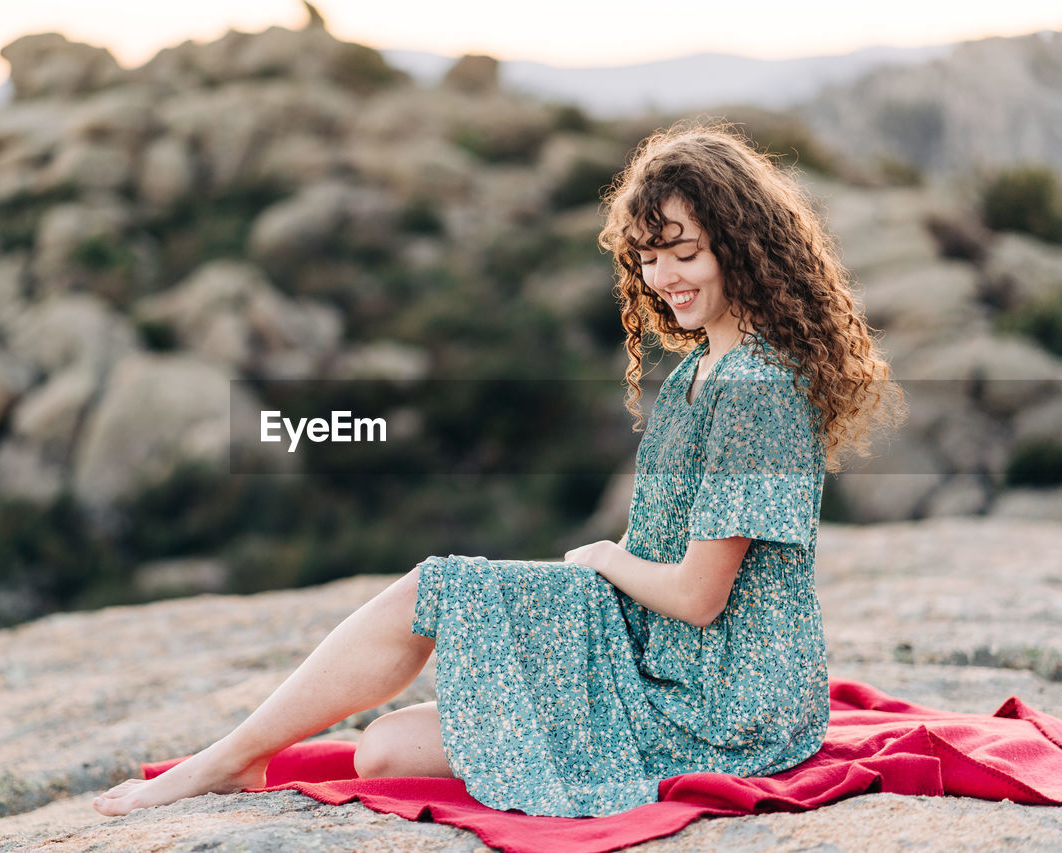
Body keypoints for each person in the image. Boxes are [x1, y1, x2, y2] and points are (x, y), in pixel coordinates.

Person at [93, 121, 903, 819]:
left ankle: (232, 757)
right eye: (648, 257)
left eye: (683, 252)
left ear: (740, 243)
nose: (663, 279)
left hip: (724, 705)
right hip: (656, 650)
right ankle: (227, 759)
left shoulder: (757, 390)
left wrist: (599, 561)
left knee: (383, 750)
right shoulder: (703, 371)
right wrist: (570, 593)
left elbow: (697, 595)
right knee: (415, 648)